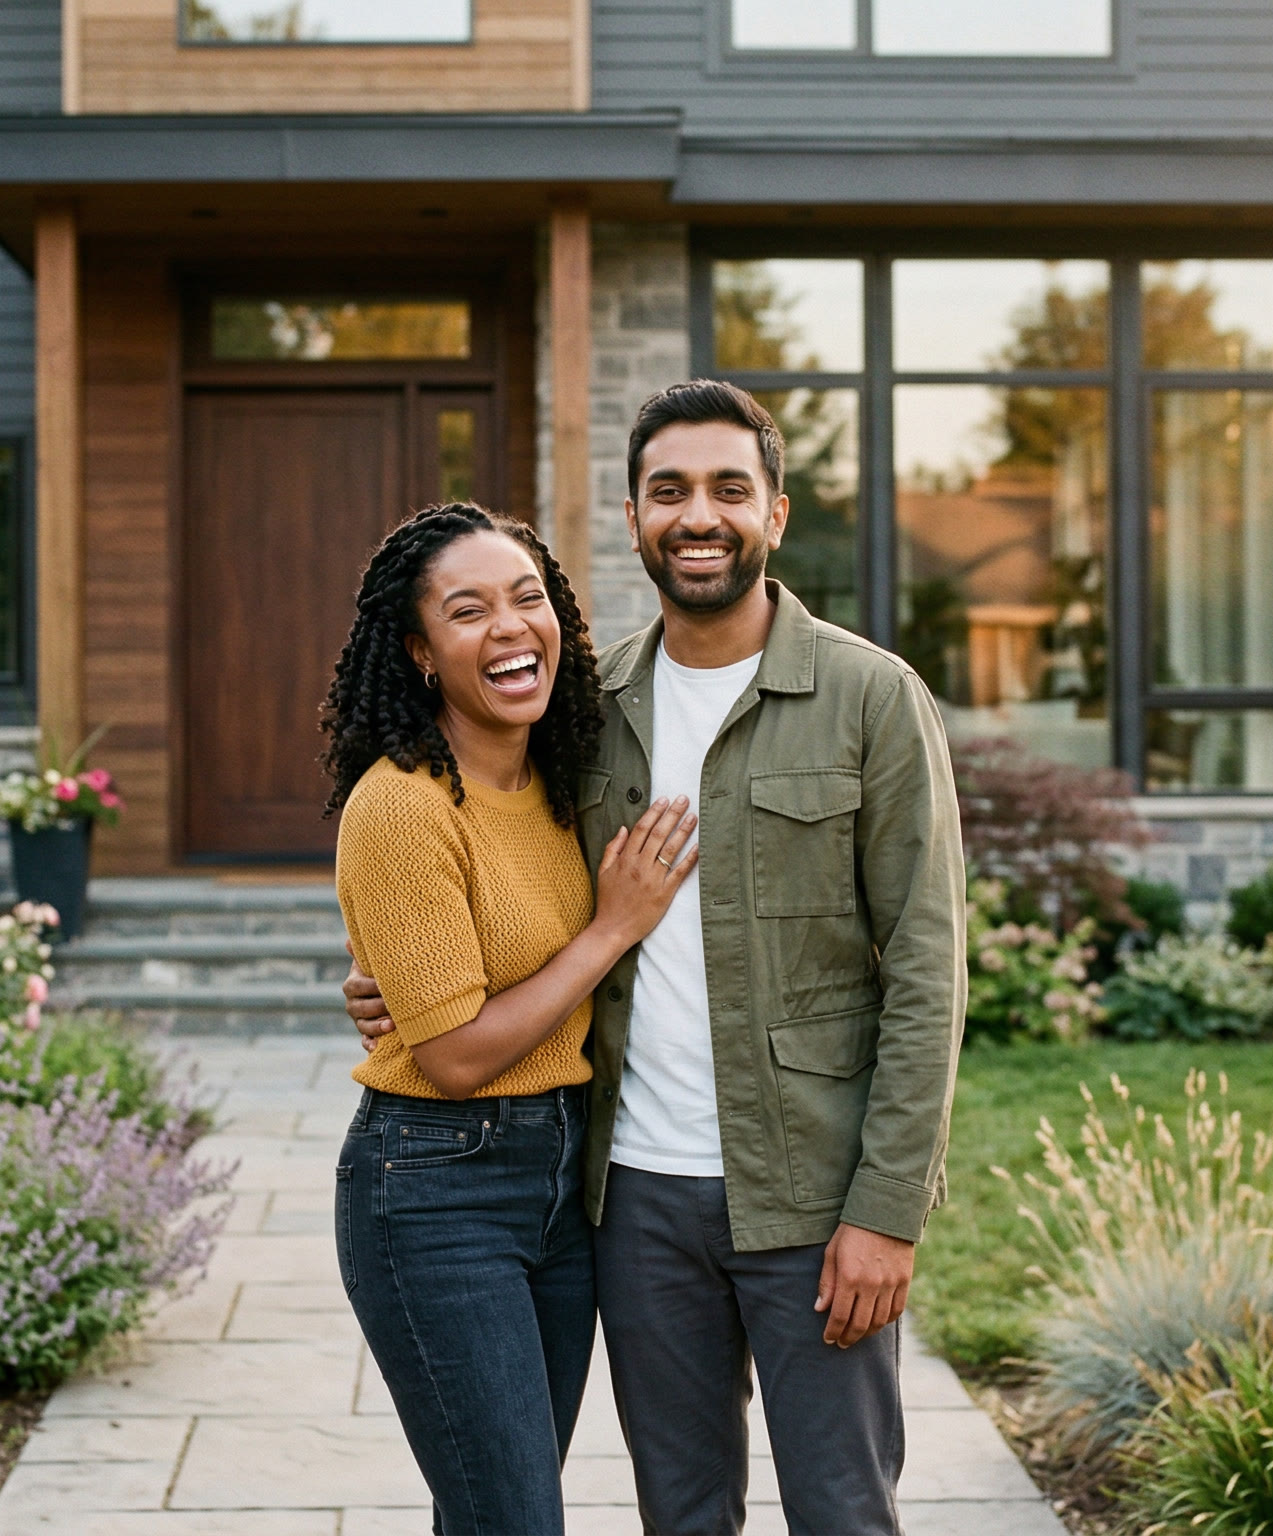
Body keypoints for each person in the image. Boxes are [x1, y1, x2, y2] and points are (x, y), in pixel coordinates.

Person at [347, 383, 968, 1536]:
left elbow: (928, 972)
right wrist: (404, 982)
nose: (699, 514)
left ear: (775, 513)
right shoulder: (589, 707)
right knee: (679, 1516)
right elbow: (499, 881)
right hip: (629, 1199)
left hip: (811, 1198)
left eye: (729, 488)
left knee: (843, 1512)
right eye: (668, 491)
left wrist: (887, 1211)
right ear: (632, 520)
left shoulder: (870, 698)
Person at [321, 502, 700, 1536]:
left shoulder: (560, 786)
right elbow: (452, 1060)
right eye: (468, 610)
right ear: (421, 651)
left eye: (528, 598)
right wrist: (609, 928)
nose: (510, 627)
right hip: (436, 1194)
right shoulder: (401, 806)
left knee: (492, 1509)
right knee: (515, 1520)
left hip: (562, 1182)